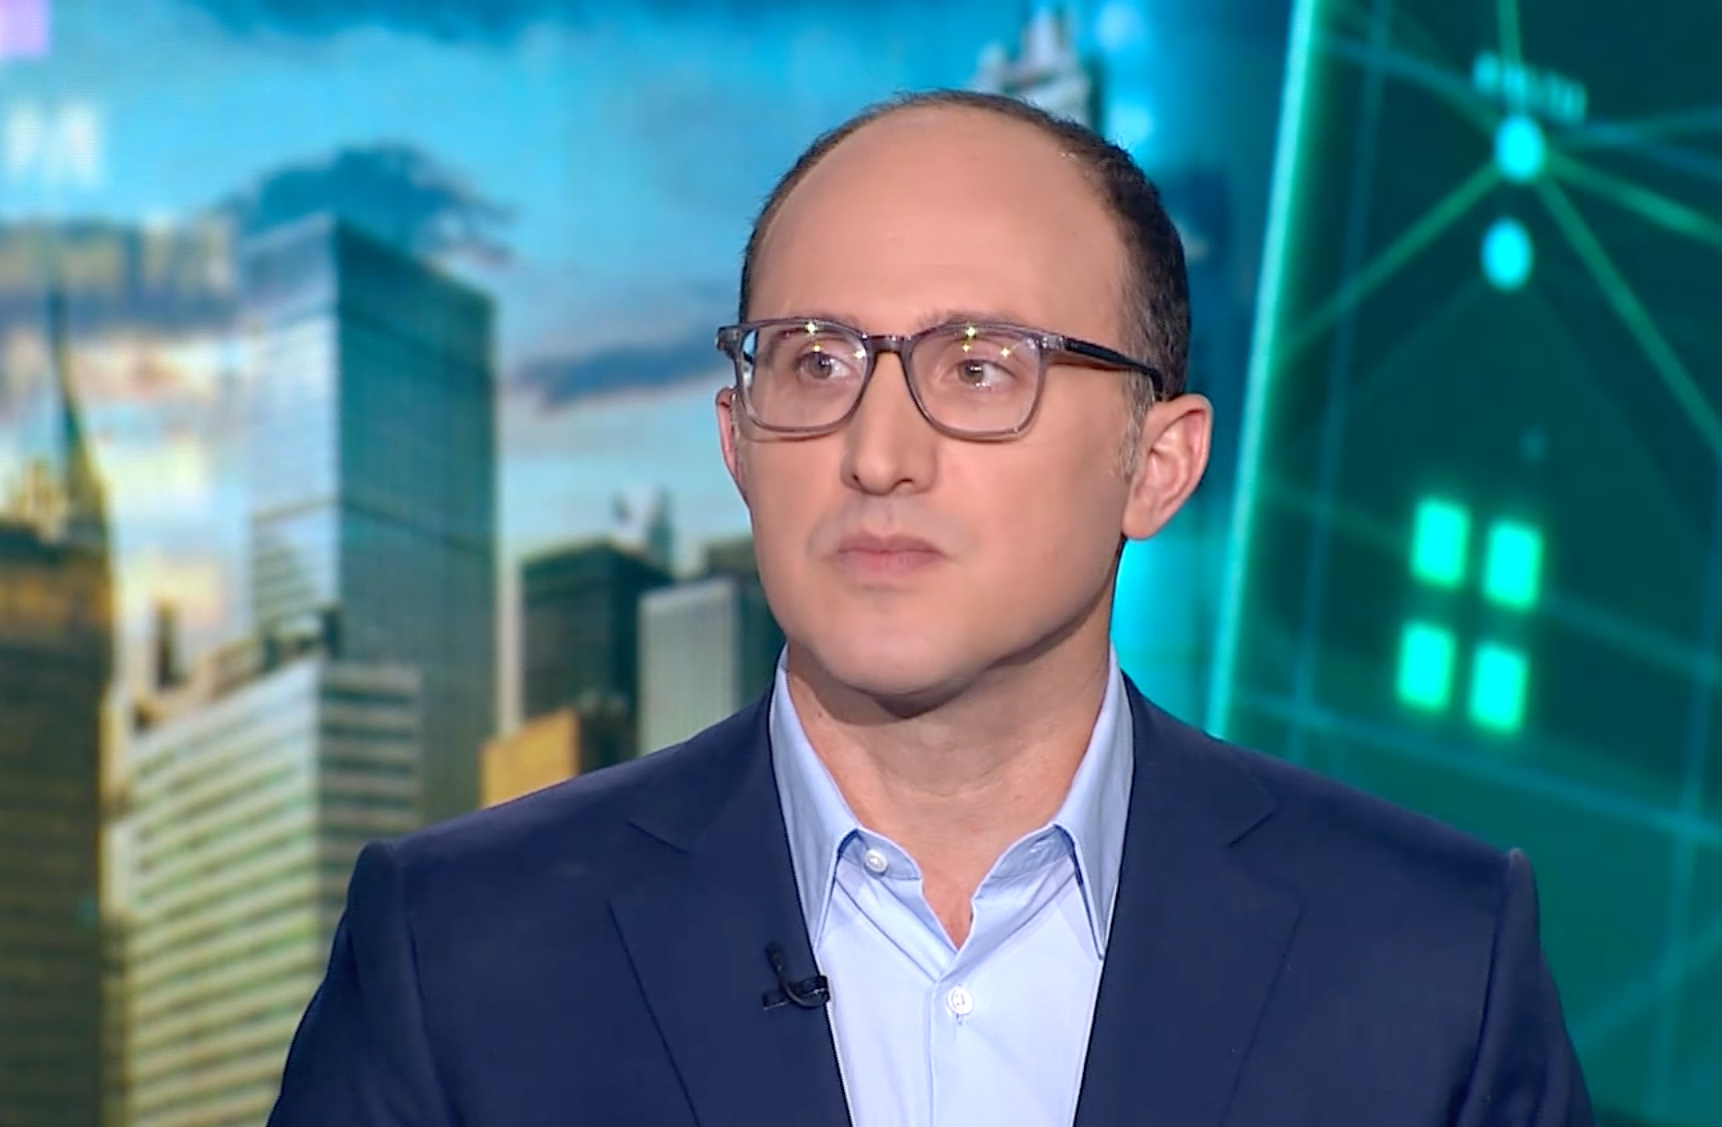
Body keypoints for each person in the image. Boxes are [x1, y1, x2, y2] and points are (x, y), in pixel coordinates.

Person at [268, 89, 1594, 1127]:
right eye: (815, 363)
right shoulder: (456, 955)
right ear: (737, 443)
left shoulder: (1433, 961)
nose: (878, 452)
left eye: (978, 368)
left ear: (1158, 464)